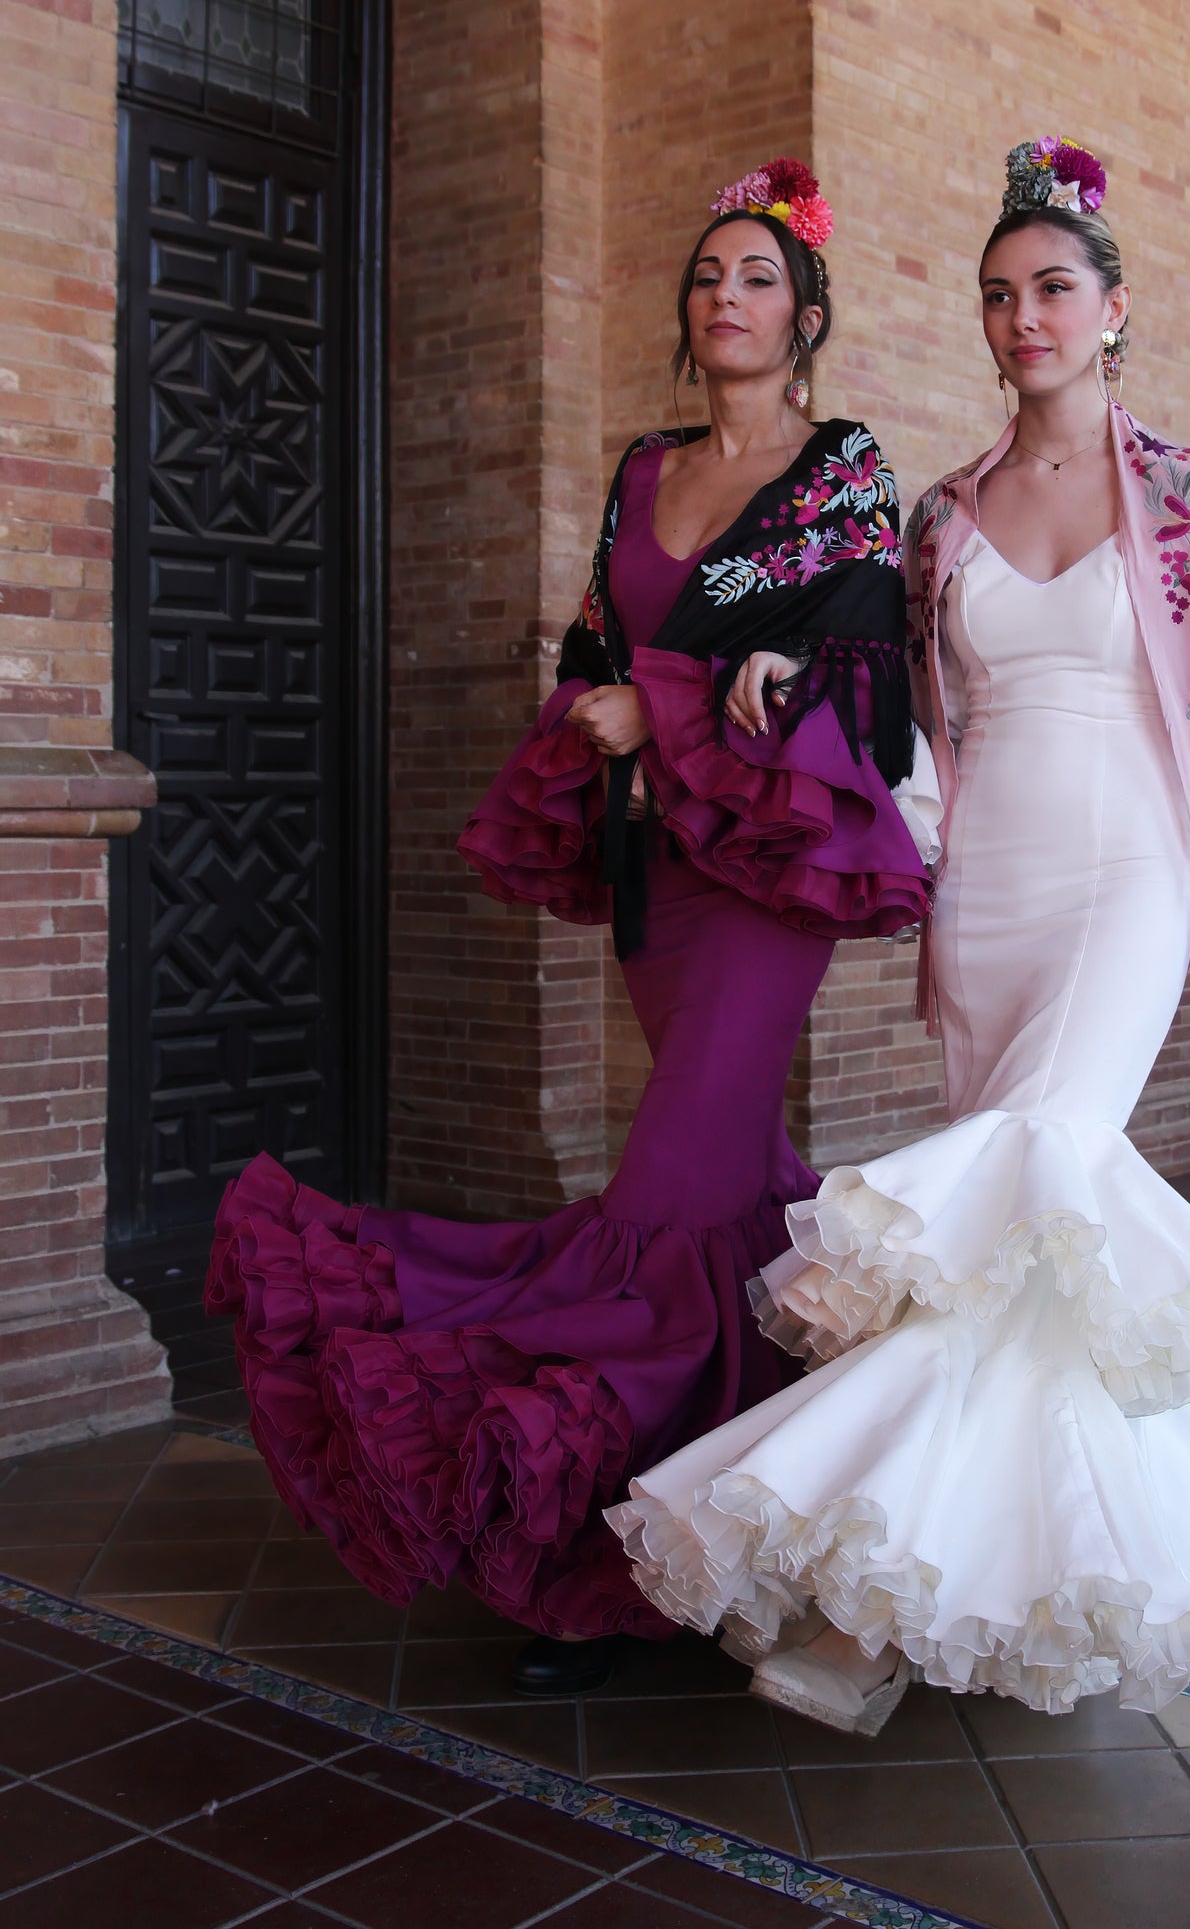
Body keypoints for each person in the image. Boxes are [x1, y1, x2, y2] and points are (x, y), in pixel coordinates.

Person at [605, 136, 1190, 1734]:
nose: (1022, 316)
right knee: (1006, 1254)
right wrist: (781, 679)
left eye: (1051, 289)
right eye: (997, 296)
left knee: (1039, 1165)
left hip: (1129, 861)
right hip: (987, 884)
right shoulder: (940, 518)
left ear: (1110, 311)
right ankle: (977, 1579)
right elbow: (903, 719)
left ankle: (863, 1621)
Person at [205, 158, 936, 1698]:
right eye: (704, 277)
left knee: (661, 1200)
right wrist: (612, 705)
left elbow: (868, 680)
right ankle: (785, 1526)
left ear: (805, 314)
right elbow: (592, 652)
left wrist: (708, 694)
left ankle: (614, 1578)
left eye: (753, 278)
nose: (722, 299)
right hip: (656, 871)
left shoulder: (840, 470)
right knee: (733, 1206)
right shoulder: (635, 468)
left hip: (762, 880)